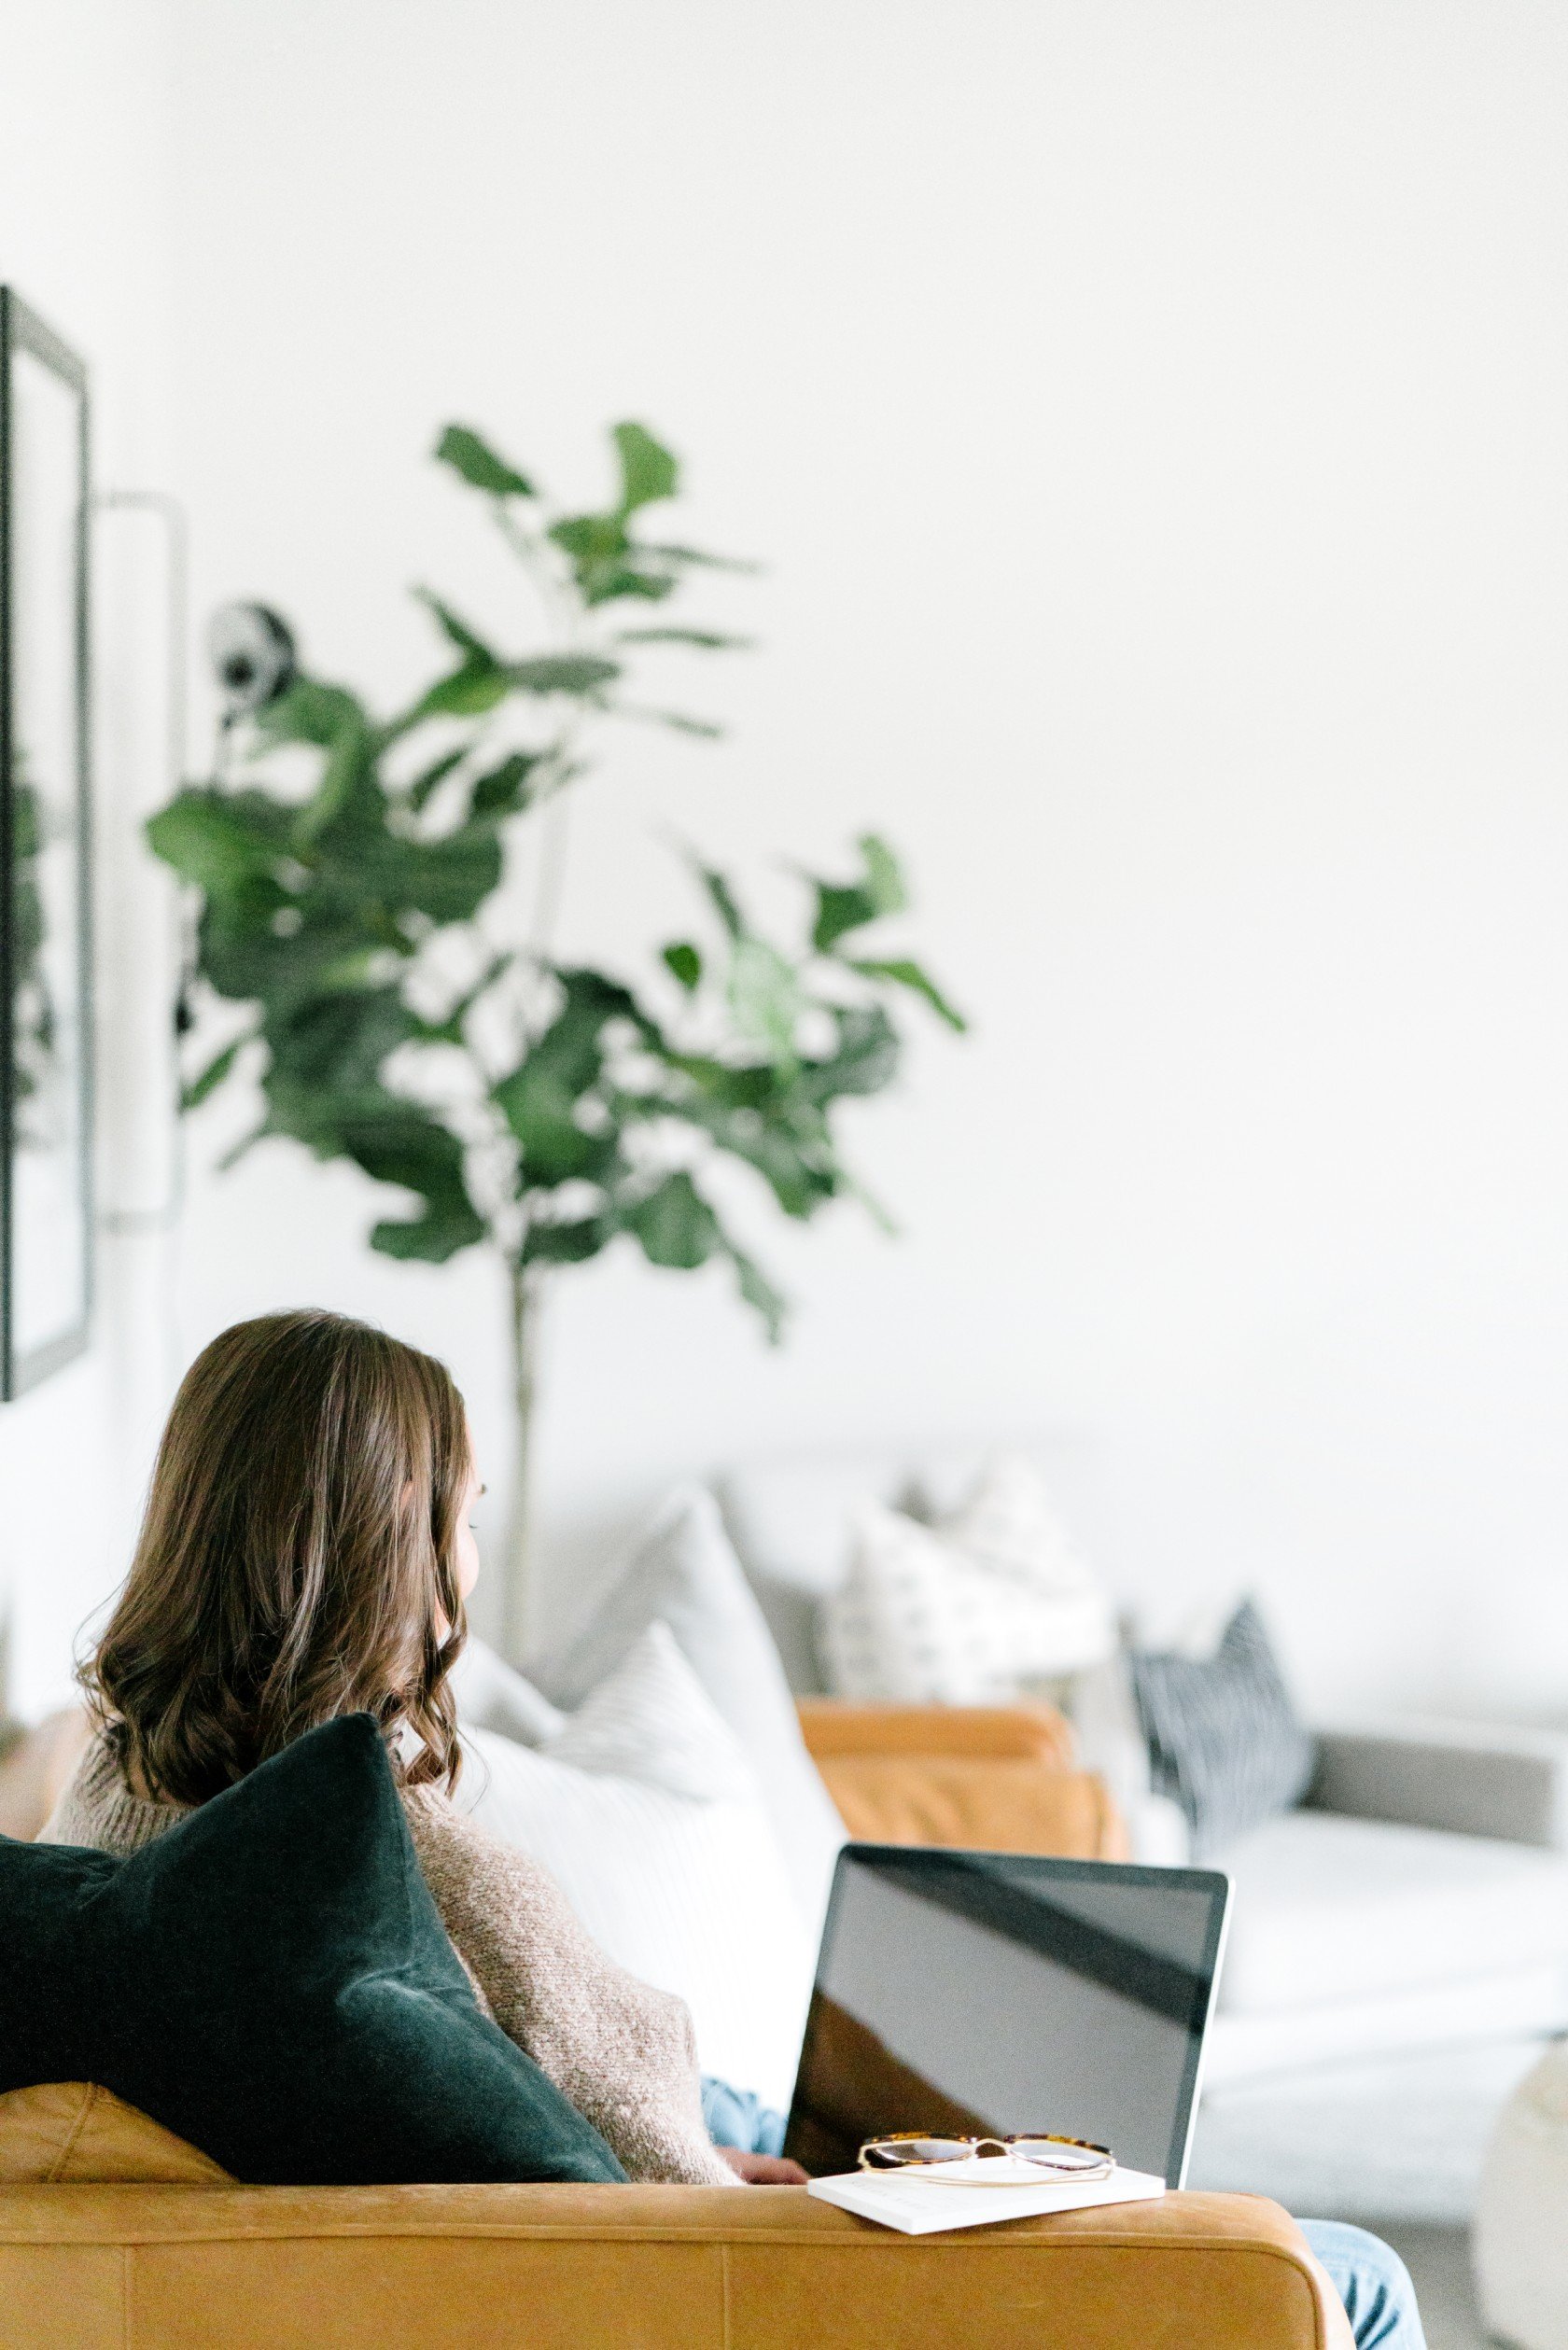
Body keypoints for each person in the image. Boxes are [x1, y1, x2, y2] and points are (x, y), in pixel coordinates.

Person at [45, 1310, 1427, 2343]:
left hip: (689, 2130)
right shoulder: (380, 1850)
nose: (470, 1563)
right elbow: (659, 2186)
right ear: (384, 1541)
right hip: (692, 2194)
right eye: (461, 1521)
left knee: (907, 2116)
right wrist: (728, 2174)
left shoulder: (111, 1773)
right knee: (1346, 2266)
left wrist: (713, 2140)